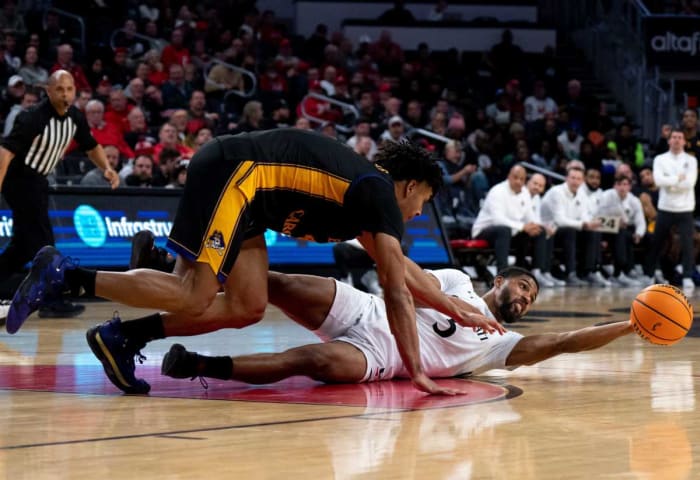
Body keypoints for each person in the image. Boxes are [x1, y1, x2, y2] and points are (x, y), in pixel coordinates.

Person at [9, 130, 504, 396]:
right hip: (236, 173)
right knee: (194, 294)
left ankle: (123, 335)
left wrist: (460, 310)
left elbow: (407, 276)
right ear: (411, 185)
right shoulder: (377, 193)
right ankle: (66, 274)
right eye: (423, 201)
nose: (419, 213)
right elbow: (395, 292)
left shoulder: (366, 200)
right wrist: (417, 371)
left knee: (248, 304)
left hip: (251, 201)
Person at [162, 267, 633, 386]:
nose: (526, 298)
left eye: (531, 299)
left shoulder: (501, 345)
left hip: (385, 358)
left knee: (310, 360)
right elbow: (412, 285)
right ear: (500, 281)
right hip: (367, 311)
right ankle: (172, 267)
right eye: (524, 287)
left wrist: (630, 325)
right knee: (279, 283)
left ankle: (200, 365)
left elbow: (565, 341)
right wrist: (457, 307)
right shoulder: (458, 278)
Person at [0, 70, 118, 317]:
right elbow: (6, 151)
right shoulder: (33, 117)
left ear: (75, 90)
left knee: (22, 246)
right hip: (19, 180)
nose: (65, 95)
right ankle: (50, 301)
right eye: (59, 89)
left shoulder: (75, 117)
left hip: (38, 182)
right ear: (49, 91)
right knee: (44, 242)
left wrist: (107, 168)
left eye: (69, 89)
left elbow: (91, 146)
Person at [471, 165, 550, 286]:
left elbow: (530, 217)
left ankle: (531, 273)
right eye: (515, 177)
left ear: (525, 180)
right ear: (509, 176)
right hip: (484, 232)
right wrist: (523, 227)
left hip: (510, 233)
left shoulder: (524, 193)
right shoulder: (497, 191)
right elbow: (498, 220)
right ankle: (502, 276)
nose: (518, 181)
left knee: (538, 231)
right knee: (504, 230)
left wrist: (535, 226)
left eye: (521, 179)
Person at [641, 128, 697, 289]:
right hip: (665, 207)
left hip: (685, 208)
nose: (677, 140)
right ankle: (649, 273)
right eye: (674, 137)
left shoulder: (691, 161)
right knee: (657, 242)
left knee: (687, 243)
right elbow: (658, 181)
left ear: (684, 141)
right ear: (669, 140)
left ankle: (687, 276)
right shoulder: (660, 159)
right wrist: (677, 179)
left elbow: (690, 183)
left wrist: (670, 182)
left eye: (680, 137)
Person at [540, 163, 603, 286]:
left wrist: (589, 224)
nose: (575, 181)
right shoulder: (556, 192)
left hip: (570, 230)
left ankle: (589, 271)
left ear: (582, 181)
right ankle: (571, 273)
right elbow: (560, 220)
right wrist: (583, 224)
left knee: (593, 231)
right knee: (570, 231)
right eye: (572, 178)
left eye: (578, 179)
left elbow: (584, 215)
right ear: (566, 178)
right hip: (550, 231)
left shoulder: (581, 193)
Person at [596, 174, 646, 286]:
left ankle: (631, 271)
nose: (622, 188)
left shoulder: (634, 200)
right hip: (602, 229)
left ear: (629, 187)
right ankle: (619, 273)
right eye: (619, 184)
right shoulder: (606, 196)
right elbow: (596, 218)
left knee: (629, 235)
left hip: (621, 231)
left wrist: (639, 233)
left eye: (625, 184)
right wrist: (614, 223)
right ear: (615, 186)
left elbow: (640, 221)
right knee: (622, 233)